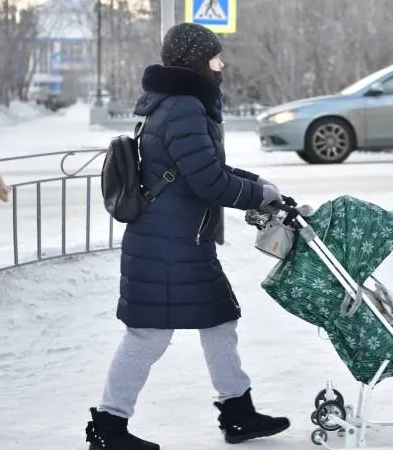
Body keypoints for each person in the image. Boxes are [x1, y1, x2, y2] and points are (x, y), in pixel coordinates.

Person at [84, 22, 289, 450]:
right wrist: (258, 195)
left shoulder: (176, 104)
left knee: (219, 322)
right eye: (215, 58)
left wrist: (261, 186)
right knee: (148, 335)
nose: (222, 65)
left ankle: (238, 413)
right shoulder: (183, 108)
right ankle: (108, 428)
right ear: (196, 62)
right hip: (169, 243)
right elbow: (208, 182)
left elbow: (205, 168)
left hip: (180, 239)